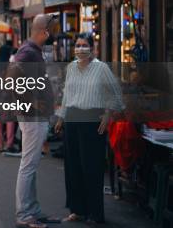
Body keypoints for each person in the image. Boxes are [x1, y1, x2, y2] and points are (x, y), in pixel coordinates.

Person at [54, 33, 124, 224]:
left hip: (93, 121)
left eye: (85, 45)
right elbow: (67, 94)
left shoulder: (101, 68)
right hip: (72, 120)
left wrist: (108, 114)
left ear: (92, 48)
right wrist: (61, 118)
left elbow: (116, 93)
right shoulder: (71, 68)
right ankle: (77, 210)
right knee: (73, 168)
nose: (80, 48)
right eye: (78, 45)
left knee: (92, 169)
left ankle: (95, 213)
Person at [11, 14, 59, 228]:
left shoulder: (33, 51)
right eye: (54, 29)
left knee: (31, 164)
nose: (56, 32)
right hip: (32, 117)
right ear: (44, 31)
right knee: (28, 165)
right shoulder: (27, 51)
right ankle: (24, 214)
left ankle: (33, 210)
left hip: (35, 116)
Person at [0, 45, 17, 152]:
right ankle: (9, 144)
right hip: (6, 94)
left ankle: (0, 145)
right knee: (9, 118)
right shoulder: (9, 65)